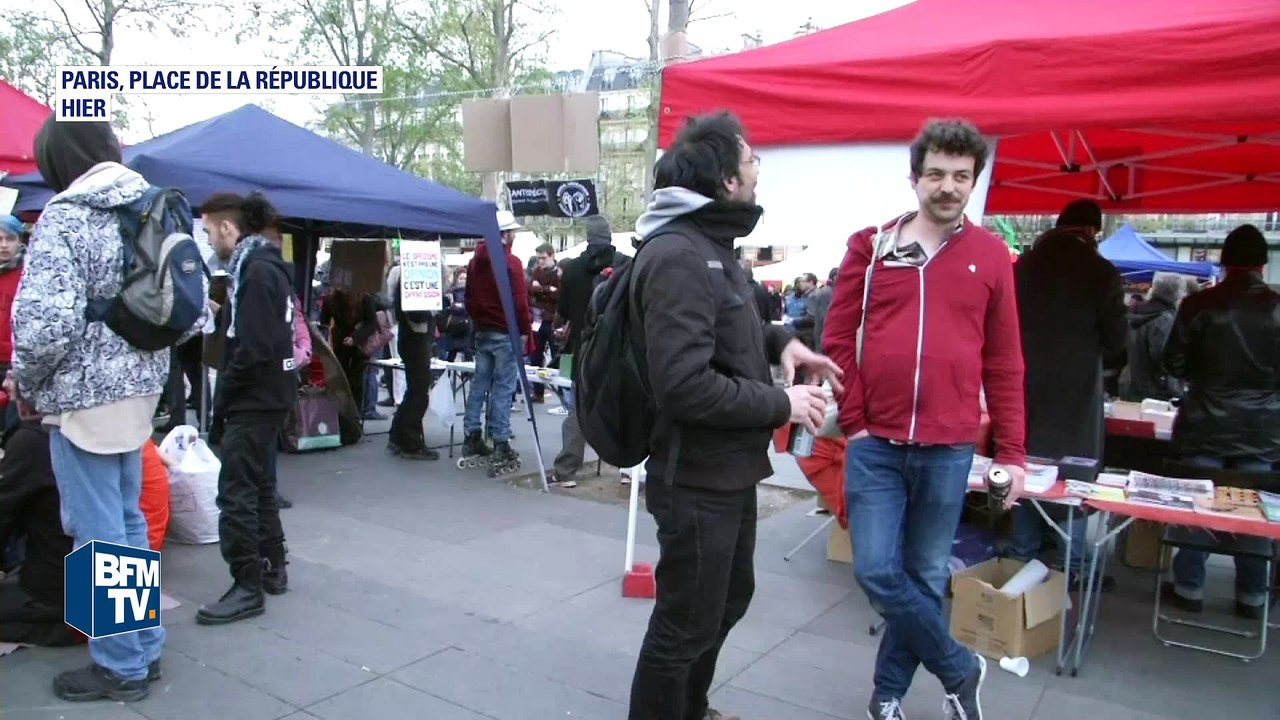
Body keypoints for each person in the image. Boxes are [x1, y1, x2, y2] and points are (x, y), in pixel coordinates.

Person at [626, 110, 839, 720]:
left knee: (725, 603)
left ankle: (691, 708)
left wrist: (783, 346)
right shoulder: (678, 255)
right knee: (683, 623)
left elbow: (734, 324)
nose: (757, 170)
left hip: (726, 471)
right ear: (724, 181)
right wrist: (783, 402)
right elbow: (683, 384)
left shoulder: (711, 247)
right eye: (750, 160)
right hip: (694, 478)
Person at [822, 118, 1027, 720]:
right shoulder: (871, 246)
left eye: (961, 176)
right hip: (875, 441)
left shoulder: (991, 256)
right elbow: (836, 337)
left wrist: (1012, 453)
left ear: (973, 182)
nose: (947, 186)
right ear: (914, 178)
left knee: (924, 574)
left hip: (949, 444)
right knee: (878, 571)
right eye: (935, 174)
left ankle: (886, 696)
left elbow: (1005, 359)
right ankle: (960, 667)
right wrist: (855, 421)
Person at [13, 117, 208, 702]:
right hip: (140, 394)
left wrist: (26, 381)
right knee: (123, 526)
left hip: (83, 400)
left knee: (97, 533)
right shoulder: (158, 206)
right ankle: (139, 649)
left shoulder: (68, 216)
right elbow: (192, 311)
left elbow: (44, 327)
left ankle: (120, 664)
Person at [1162, 224, 1280, 619]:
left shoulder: (1199, 305)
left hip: (1205, 420)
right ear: (1262, 265)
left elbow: (1173, 363)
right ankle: (1252, 594)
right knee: (1254, 512)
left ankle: (1189, 586)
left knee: (1197, 506)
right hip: (1263, 428)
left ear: (1224, 262)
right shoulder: (1278, 306)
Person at [1010, 199, 1126, 586]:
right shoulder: (1100, 271)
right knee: (1074, 471)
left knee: (1024, 462)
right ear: (1093, 231)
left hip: (1021, 380)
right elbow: (1116, 340)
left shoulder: (1023, 267)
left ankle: (1022, 552)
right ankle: (1071, 566)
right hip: (1076, 387)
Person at [197, 192, 299, 625]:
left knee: (236, 490)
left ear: (226, 227)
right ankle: (272, 567)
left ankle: (247, 583)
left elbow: (253, 345)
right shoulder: (261, 266)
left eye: (207, 231)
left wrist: (223, 399)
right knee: (257, 484)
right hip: (269, 392)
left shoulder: (255, 272)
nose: (207, 241)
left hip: (255, 396)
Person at [0, 374, 77, 647]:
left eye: (12, 375)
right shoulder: (95, 432)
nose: (6, 383)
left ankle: (65, 629)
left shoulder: (31, 440)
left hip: (58, 591)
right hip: (112, 586)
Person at [549, 216, 624, 488]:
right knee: (624, 406)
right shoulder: (624, 264)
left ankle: (567, 469)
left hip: (582, 349)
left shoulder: (573, 269)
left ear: (588, 236)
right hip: (618, 351)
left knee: (577, 410)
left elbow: (563, 313)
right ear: (610, 236)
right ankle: (629, 471)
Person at [460, 210, 532, 470]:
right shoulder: (510, 262)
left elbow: (468, 297)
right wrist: (523, 330)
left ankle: (472, 435)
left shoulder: (474, 262)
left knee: (479, 385)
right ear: (506, 235)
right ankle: (500, 440)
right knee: (503, 387)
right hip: (504, 330)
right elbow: (520, 302)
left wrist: (478, 318)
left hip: (483, 329)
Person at [387, 258, 440, 461]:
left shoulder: (404, 277)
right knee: (419, 391)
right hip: (415, 337)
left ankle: (399, 435)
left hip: (411, 337)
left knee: (414, 390)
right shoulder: (411, 280)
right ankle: (409, 441)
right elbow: (416, 314)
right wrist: (434, 307)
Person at [1125, 272, 1186, 401]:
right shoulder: (1164, 319)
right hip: (1157, 389)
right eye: (1182, 292)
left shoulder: (1135, 313)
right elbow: (1162, 357)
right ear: (1175, 294)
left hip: (1132, 381)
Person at [527, 243, 561, 403]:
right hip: (538, 319)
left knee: (557, 357)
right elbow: (531, 290)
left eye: (543, 258)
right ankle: (538, 392)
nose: (540, 261)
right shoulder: (537, 272)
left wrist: (542, 290)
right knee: (535, 357)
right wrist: (549, 290)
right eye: (538, 258)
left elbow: (559, 294)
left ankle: (562, 392)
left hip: (554, 320)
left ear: (552, 255)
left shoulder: (560, 272)